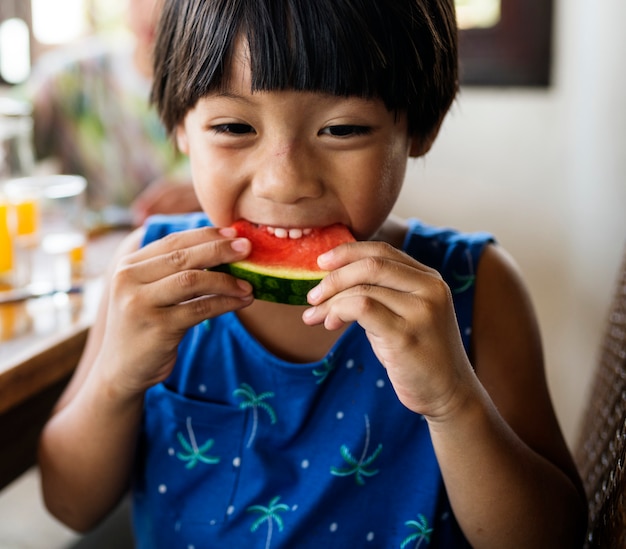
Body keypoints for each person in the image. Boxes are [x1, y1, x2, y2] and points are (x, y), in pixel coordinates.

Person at [37, 1, 587, 547]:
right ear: (180, 126)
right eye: (233, 126)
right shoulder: (149, 278)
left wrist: (453, 402)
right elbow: (70, 504)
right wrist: (116, 380)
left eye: (342, 129)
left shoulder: (476, 287)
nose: (285, 181)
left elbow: (552, 537)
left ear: (420, 127)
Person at [24, 0, 199, 226]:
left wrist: (211, 190)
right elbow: (10, 136)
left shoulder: (229, 89)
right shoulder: (71, 79)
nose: (155, 10)